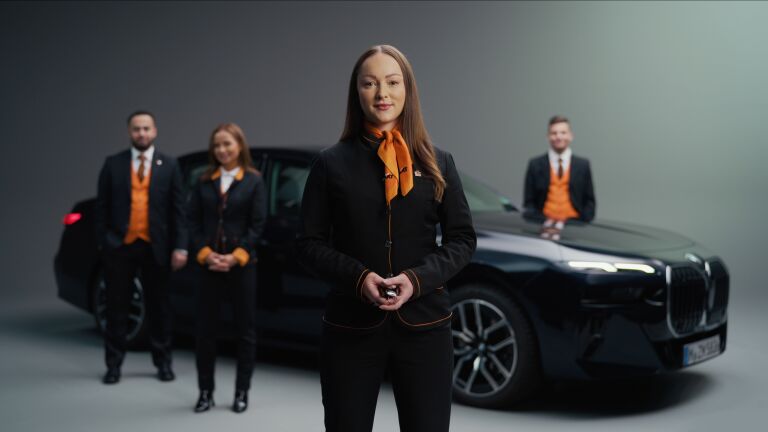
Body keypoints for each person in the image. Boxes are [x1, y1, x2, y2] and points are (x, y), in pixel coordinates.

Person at [296, 45, 477, 432]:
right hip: (350, 327)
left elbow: (462, 239)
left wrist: (416, 280)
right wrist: (359, 279)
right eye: (370, 83)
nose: (382, 93)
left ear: (407, 90)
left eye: (392, 82)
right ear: (356, 92)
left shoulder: (438, 161)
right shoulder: (330, 163)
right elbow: (308, 244)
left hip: (426, 326)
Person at [95, 110, 188, 384]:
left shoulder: (169, 165)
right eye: (137, 129)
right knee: (116, 308)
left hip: (156, 246)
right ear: (129, 132)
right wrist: (104, 242)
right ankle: (113, 365)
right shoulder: (113, 164)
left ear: (155, 131)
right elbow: (102, 208)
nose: (142, 134)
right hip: (120, 247)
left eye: (146, 128)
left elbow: (178, 211)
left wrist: (180, 247)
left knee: (159, 306)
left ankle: (163, 362)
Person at [188, 123, 267, 414]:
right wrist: (206, 253)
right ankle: (205, 392)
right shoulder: (203, 180)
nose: (222, 150)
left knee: (245, 331)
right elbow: (192, 222)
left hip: (241, 266)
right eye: (217, 146)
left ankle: (241, 392)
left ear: (239, 146)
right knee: (205, 331)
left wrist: (237, 255)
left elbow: (258, 224)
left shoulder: (253, 181)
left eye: (227, 145)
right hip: (208, 265)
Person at [523, 115, 596, 223]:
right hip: (543, 224)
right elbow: (529, 202)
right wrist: (536, 221)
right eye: (554, 133)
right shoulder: (535, 164)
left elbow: (589, 201)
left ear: (571, 136)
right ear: (548, 136)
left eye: (563, 133)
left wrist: (583, 221)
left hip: (575, 224)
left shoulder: (583, 165)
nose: (558, 137)